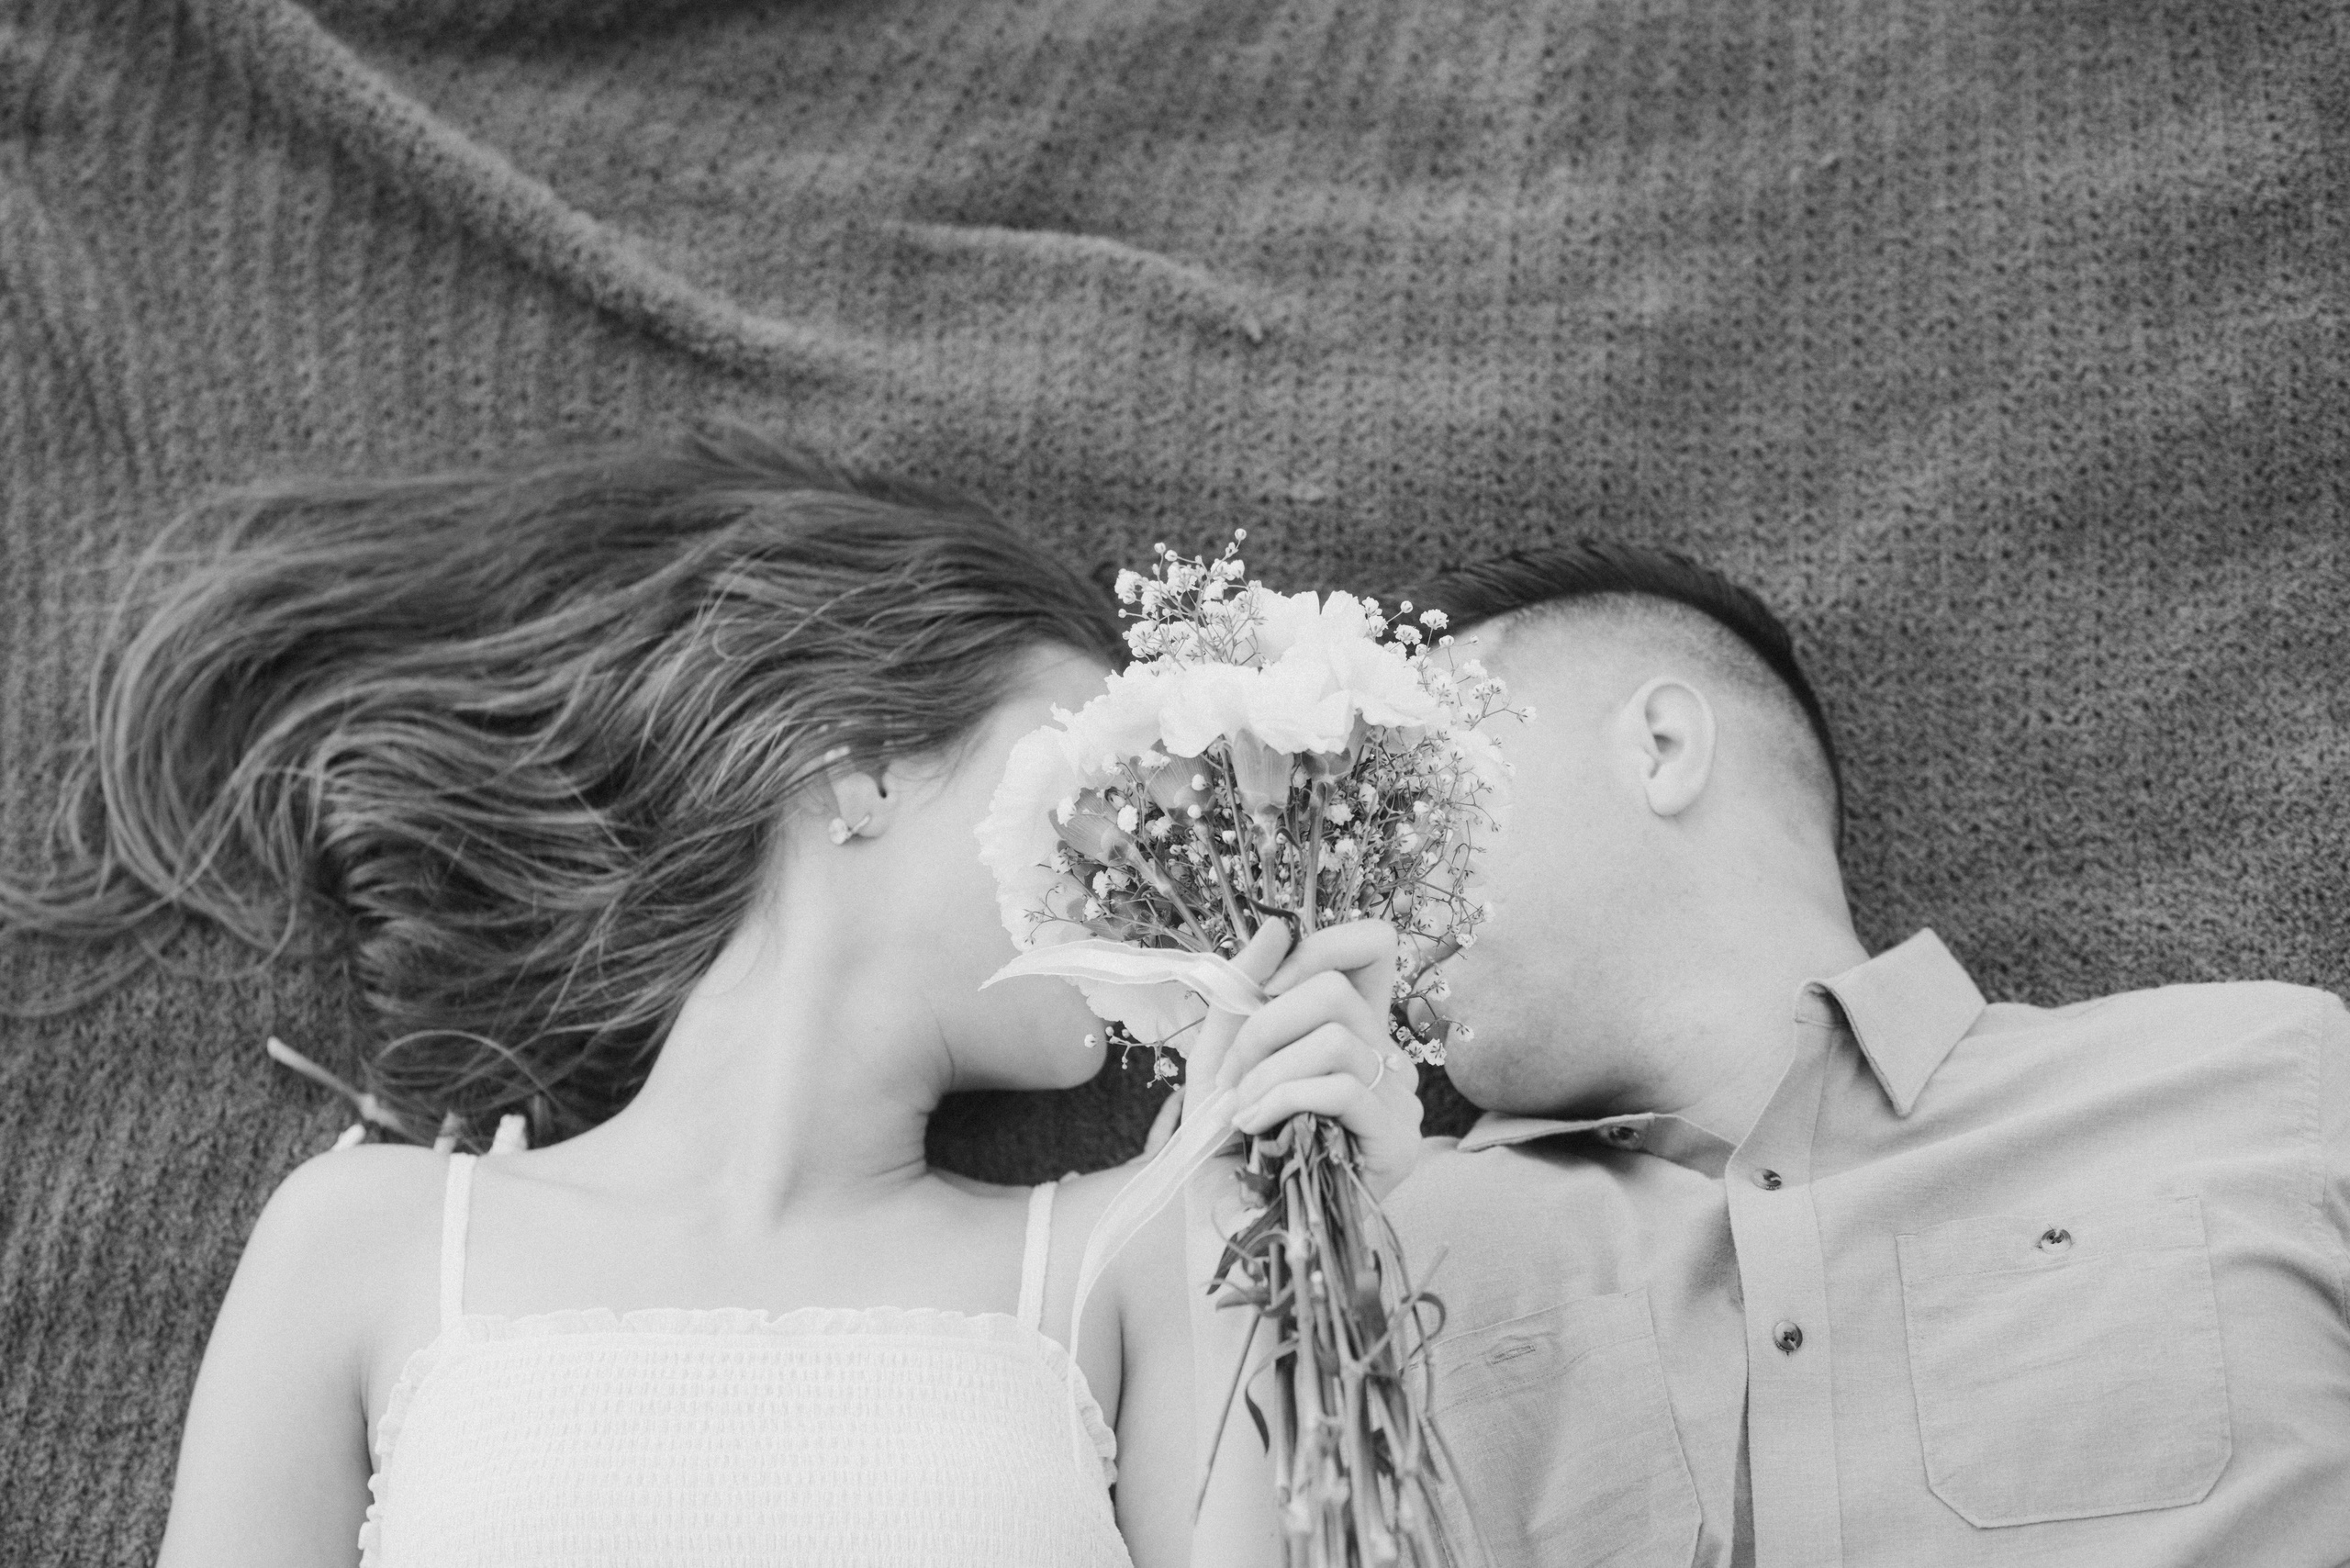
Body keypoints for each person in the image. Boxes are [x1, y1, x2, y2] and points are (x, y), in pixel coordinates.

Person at [0, 425, 1425, 1568]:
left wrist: (1284, 1204)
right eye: (1100, 787)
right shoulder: (368, 1244)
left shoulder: (1138, 1256)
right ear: (860, 768)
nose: (1154, 858)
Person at [1371, 543, 2350, 1568]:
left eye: (1416, 802)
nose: (1374, 896)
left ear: (1659, 744)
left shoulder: (2274, 1080)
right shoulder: (1375, 1245)